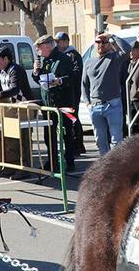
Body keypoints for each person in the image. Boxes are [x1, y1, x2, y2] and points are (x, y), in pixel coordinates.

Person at [34, 34, 76, 172]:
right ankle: (52, 161)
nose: (38, 52)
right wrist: (36, 71)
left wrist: (59, 81)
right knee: (49, 135)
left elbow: (72, 77)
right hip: (48, 103)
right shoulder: (45, 61)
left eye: (39, 48)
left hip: (63, 102)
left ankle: (70, 161)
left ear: (47, 46)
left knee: (66, 133)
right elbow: (40, 81)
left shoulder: (63, 59)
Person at [81, 33, 126, 156]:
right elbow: (84, 85)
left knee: (116, 141)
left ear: (109, 44)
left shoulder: (114, 58)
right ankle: (105, 168)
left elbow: (126, 50)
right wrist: (88, 103)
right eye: (98, 42)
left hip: (113, 105)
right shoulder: (88, 62)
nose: (101, 45)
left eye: (104, 42)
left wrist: (112, 36)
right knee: (100, 142)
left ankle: (117, 167)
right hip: (95, 106)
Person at [56, 33, 86, 154]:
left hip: (73, 92)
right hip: (64, 92)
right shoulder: (61, 55)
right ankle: (74, 145)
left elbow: (77, 73)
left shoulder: (73, 55)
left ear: (66, 42)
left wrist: (65, 79)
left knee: (72, 117)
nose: (57, 44)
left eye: (59, 41)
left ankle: (78, 145)